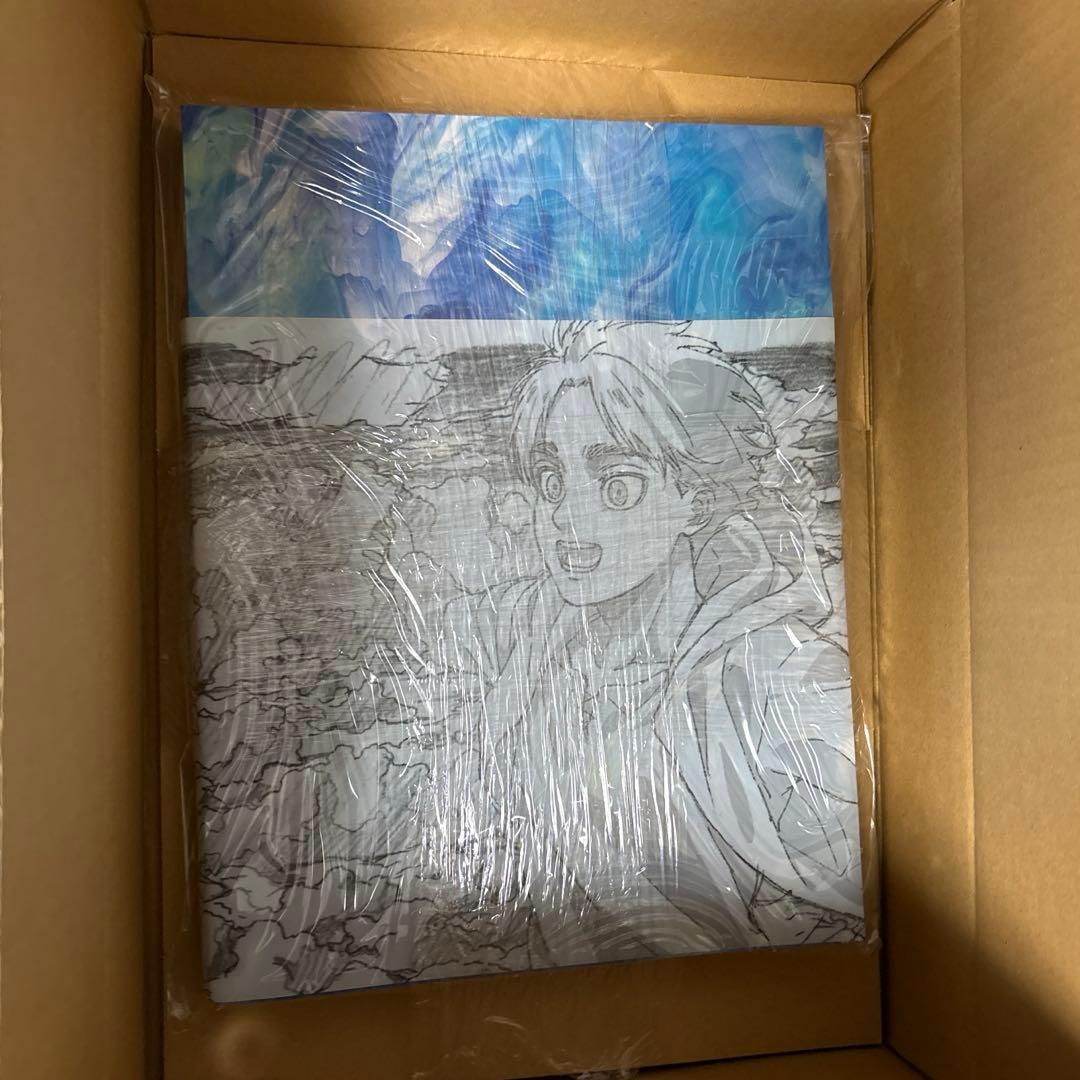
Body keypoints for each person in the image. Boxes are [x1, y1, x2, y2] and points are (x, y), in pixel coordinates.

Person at [428, 320, 864, 967]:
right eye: (551, 481)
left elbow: (886, 862)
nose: (566, 518)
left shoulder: (763, 671)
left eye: (617, 486)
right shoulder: (544, 642)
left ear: (696, 499)